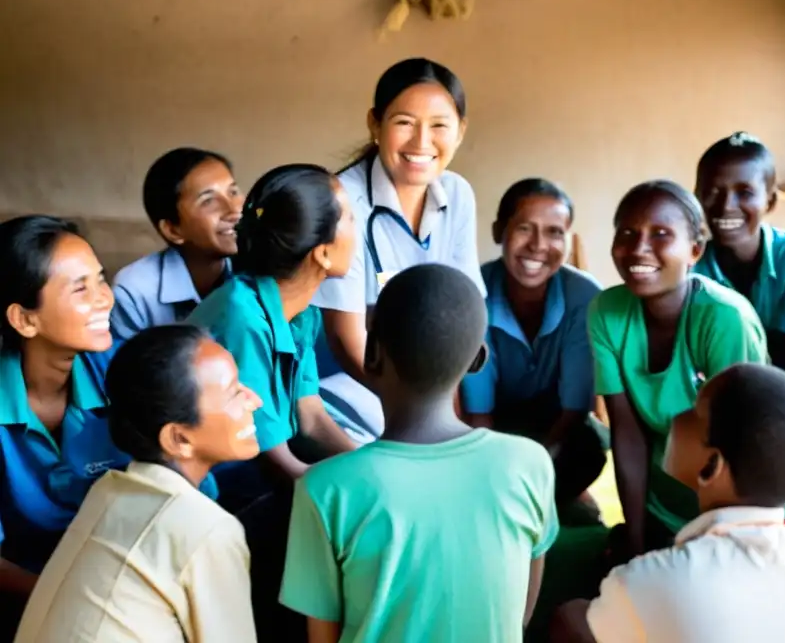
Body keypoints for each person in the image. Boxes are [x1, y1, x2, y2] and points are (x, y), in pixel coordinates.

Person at [280, 264, 558, 643]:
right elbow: (520, 607)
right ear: (478, 361)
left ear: (372, 354)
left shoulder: (325, 488)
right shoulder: (528, 464)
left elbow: (323, 636)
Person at [550, 364, 785, 643]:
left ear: (711, 467)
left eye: (694, 412)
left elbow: (571, 624)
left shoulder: (656, 578)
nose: (676, 416)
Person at [590, 180, 785, 565]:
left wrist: (716, 540)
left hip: (747, 508)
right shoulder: (606, 312)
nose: (639, 247)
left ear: (695, 249)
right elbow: (628, 435)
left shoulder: (724, 318)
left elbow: (743, 446)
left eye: (661, 234)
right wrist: (637, 538)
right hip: (666, 506)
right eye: (627, 232)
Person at [187, 163, 357, 640]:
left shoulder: (300, 311)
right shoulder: (242, 314)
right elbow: (278, 461)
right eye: (348, 217)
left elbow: (311, 417)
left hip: (259, 480)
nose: (356, 228)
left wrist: (375, 463)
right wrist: (364, 488)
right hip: (218, 498)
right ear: (322, 252)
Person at [14, 325, 262, 643]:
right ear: (178, 438)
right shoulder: (207, 529)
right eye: (233, 393)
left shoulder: (110, 490)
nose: (253, 400)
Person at [312, 58, 486, 444]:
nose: (422, 143)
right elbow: (345, 340)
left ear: (460, 132)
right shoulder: (342, 202)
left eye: (440, 125)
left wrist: (443, 415)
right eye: (404, 122)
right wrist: (417, 413)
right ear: (375, 124)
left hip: (421, 385)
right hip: (339, 378)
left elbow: (460, 318)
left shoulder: (457, 195)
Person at [0, 215, 130, 640]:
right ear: (23, 319)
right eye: (80, 289)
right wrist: (69, 599)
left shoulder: (127, 375)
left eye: (101, 280)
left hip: (119, 582)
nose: (103, 299)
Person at [461, 178, 606, 517]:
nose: (539, 245)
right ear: (499, 231)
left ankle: (559, 497)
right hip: (495, 423)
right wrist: (496, 477)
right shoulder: (473, 294)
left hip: (556, 423)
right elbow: (479, 414)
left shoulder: (584, 296)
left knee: (590, 446)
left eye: (555, 232)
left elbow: (573, 412)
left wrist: (532, 474)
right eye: (525, 228)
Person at [693, 132, 785, 375]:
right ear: (697, 198)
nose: (726, 205)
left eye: (744, 193)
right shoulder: (690, 269)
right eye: (712, 192)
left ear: (770, 201)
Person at [110, 147, 244, 341]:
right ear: (173, 229)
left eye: (233, 192)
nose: (234, 210)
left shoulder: (259, 271)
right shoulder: (135, 292)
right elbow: (121, 369)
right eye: (208, 201)